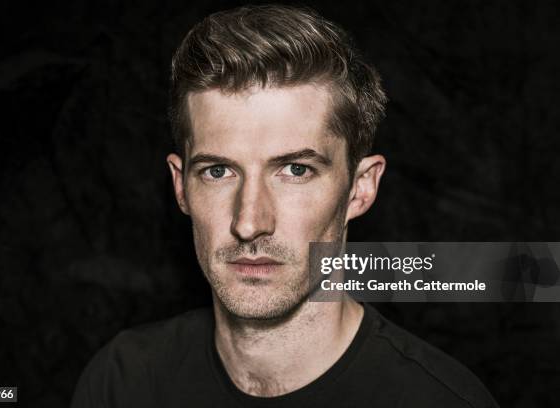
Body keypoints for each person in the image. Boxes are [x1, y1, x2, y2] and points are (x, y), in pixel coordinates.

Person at [71, 5, 499, 407]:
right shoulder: (122, 382)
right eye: (218, 172)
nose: (250, 222)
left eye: (295, 170)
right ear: (181, 187)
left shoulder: (438, 399)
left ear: (360, 189)